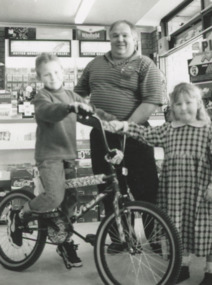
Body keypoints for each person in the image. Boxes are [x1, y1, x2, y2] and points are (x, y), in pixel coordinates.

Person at [7, 53, 115, 268]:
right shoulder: (42, 97)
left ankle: (63, 241)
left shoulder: (72, 95)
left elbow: (92, 112)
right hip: (49, 156)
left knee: (70, 202)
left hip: (68, 156)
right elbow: (48, 112)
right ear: (40, 77)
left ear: (63, 73)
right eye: (47, 74)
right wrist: (69, 108)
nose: (53, 77)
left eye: (56, 72)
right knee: (55, 197)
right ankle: (20, 214)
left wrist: (112, 121)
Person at [103, 82, 212, 285]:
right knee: (179, 228)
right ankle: (183, 265)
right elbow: (146, 134)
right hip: (175, 193)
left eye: (189, 102)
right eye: (178, 104)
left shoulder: (208, 130)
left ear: (198, 104)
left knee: (207, 228)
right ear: (172, 108)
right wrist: (125, 126)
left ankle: (210, 270)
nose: (184, 107)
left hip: (201, 193)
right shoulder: (169, 130)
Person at [74, 20, 163, 253]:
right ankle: (119, 238)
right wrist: (77, 107)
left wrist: (125, 126)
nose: (120, 39)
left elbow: (151, 100)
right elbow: (78, 93)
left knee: (145, 187)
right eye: (115, 35)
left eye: (125, 35)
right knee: (108, 187)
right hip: (102, 136)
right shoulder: (94, 65)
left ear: (134, 38)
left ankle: (153, 238)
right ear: (109, 38)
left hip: (137, 134)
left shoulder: (145, 64)